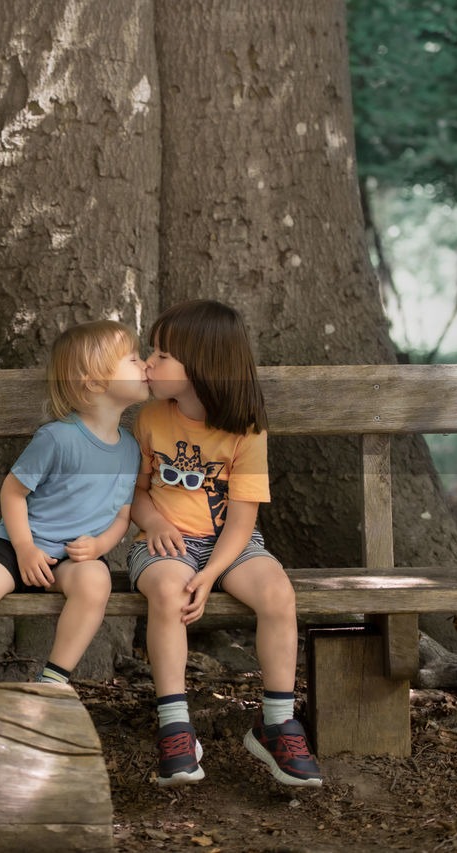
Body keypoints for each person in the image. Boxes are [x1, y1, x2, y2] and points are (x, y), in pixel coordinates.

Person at [129, 299, 322, 788]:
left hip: (231, 545)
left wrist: (212, 574)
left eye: (161, 356)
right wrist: (152, 524)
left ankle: (275, 724)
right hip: (165, 544)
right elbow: (135, 492)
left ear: (202, 367)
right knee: (169, 592)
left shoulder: (246, 430)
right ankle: (175, 728)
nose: (149, 363)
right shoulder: (151, 418)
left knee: (278, 593)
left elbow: (241, 521)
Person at [0, 320, 147, 687]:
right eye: (132, 359)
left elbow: (122, 514)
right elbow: (13, 491)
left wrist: (100, 546)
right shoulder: (57, 437)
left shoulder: (131, 449)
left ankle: (53, 678)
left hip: (72, 558)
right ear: (95, 382)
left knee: (96, 583)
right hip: (17, 548)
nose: (145, 364)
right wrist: (23, 548)